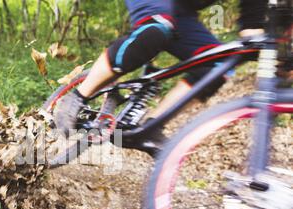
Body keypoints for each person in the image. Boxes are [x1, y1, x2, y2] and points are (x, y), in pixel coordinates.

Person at [54, 0, 268, 154]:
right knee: (155, 29)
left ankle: (151, 127)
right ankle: (76, 97)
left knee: (219, 63)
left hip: (182, 11)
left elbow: (252, 32)